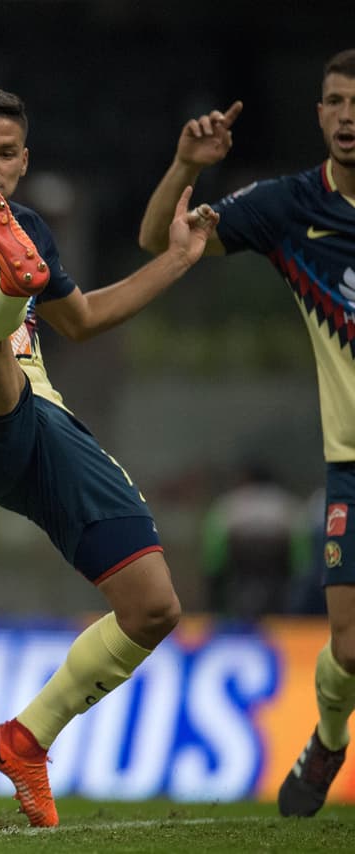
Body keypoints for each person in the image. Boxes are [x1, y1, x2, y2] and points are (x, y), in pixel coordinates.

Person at [0, 78, 219, 827]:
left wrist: (180, 261)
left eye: (5, 154)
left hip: (43, 424)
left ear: (24, 162)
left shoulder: (33, 226)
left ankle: (26, 738)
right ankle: (6, 285)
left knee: (154, 608)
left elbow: (82, 321)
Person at [137, 48, 355, 818]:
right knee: (350, 648)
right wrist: (183, 163)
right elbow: (161, 239)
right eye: (334, 100)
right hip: (350, 465)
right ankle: (329, 739)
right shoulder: (293, 206)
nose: (347, 114)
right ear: (320, 112)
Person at [200, 461, 300, 619]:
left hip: (239, 575)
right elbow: (301, 549)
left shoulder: (229, 503)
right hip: (277, 576)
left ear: (246, 479)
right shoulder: (288, 504)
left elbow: (214, 548)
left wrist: (213, 576)